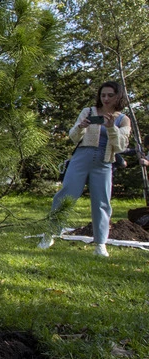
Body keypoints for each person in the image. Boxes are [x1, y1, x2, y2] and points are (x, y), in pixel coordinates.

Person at [39, 81, 131, 257]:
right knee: (65, 194)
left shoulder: (122, 119)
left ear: (118, 96)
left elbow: (120, 146)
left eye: (110, 95)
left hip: (104, 163)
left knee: (102, 202)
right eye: (103, 95)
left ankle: (101, 244)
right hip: (81, 158)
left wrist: (111, 128)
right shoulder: (89, 111)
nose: (105, 98)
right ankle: (49, 234)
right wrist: (81, 127)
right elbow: (73, 137)